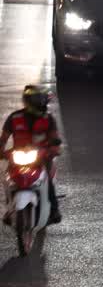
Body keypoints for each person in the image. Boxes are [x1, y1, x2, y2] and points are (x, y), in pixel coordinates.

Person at [0, 86, 62, 225]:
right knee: (8, 179)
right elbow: (3, 138)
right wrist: (1, 151)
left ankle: (54, 209)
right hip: (19, 155)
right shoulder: (15, 117)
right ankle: (9, 208)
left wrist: (54, 149)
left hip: (42, 155)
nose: (39, 103)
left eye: (41, 99)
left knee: (48, 180)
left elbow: (55, 138)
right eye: (36, 99)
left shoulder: (48, 118)